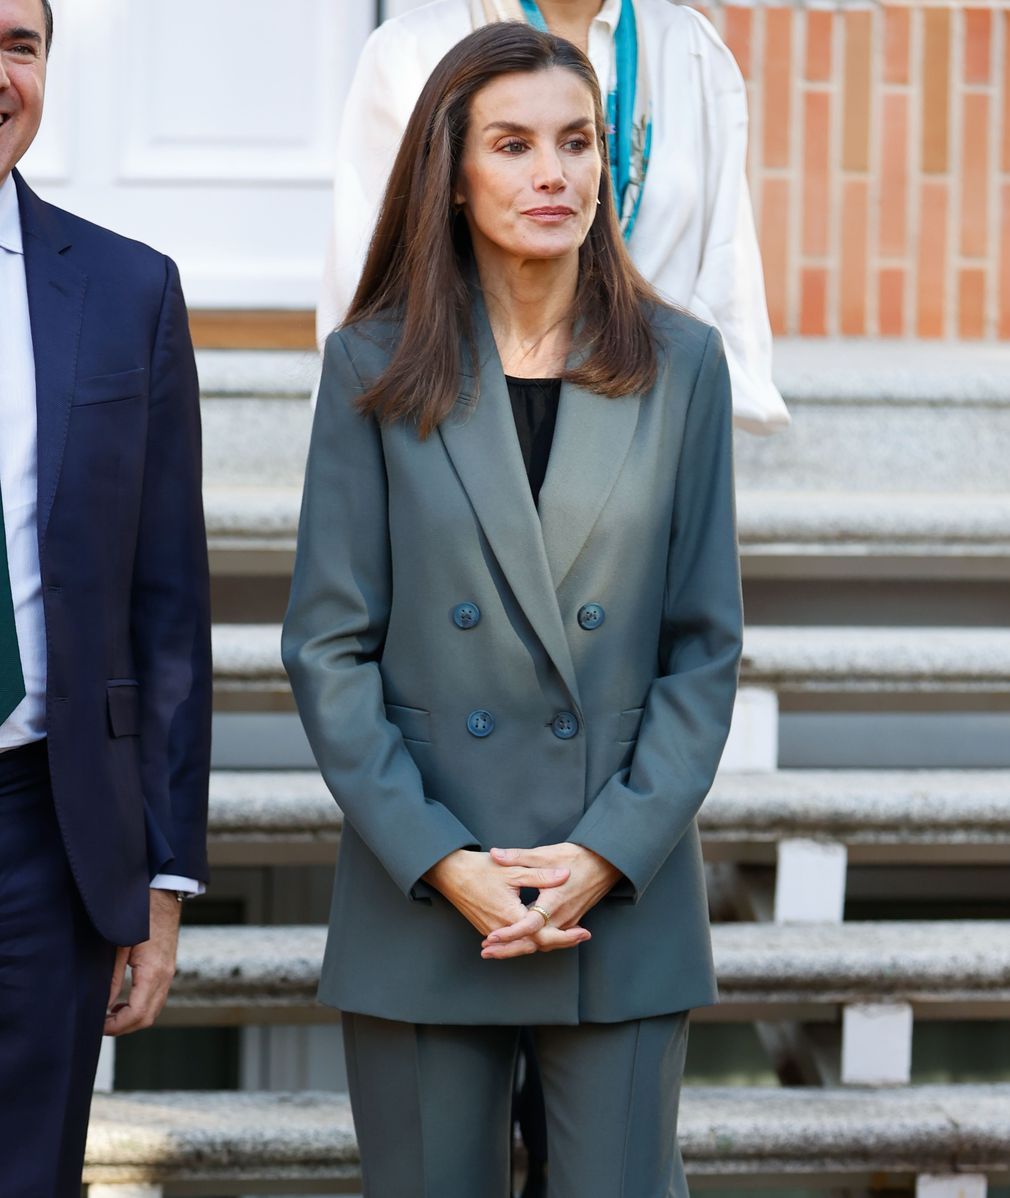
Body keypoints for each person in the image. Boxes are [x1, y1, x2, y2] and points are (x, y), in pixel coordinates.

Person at [283, 21, 742, 1197]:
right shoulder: (370, 369)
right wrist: (442, 857)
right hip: (429, 889)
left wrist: (609, 847)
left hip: (619, 898)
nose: (554, 173)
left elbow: (703, 647)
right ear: (450, 167)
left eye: (578, 142)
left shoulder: (681, 366)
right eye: (514, 143)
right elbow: (328, 647)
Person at [0, 1, 212, 1193]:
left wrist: (162, 879)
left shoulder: (128, 291)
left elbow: (166, 599)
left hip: (42, 826)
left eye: (18, 45)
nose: (0, 72)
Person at [317, 0, 789, 435]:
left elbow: (725, 254)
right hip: (461, 418)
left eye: (578, 145)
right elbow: (372, 272)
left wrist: (697, 417)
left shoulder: (691, 48)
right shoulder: (409, 49)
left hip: (648, 414)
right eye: (515, 145)